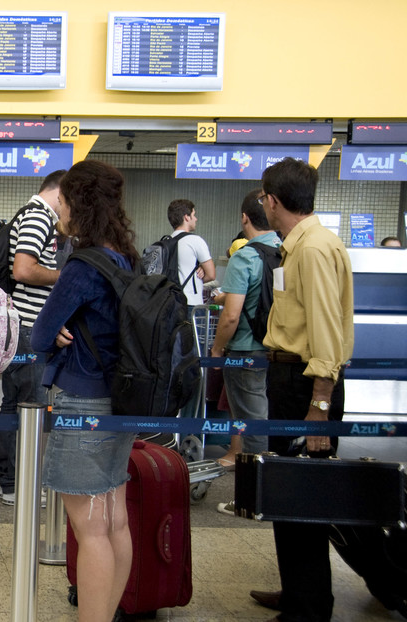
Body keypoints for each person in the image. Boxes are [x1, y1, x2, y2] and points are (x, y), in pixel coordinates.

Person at [30, 160, 139, 622]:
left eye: (64, 203)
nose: (60, 212)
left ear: (79, 205)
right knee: (114, 519)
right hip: (122, 400)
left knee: (89, 528)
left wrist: (55, 332)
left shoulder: (82, 264)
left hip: (82, 399)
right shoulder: (125, 257)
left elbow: (39, 335)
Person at [247, 158, 354, 622]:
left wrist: (320, 405)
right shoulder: (301, 245)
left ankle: (309, 608)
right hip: (291, 380)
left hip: (306, 386)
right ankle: (297, 592)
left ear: (272, 200)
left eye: (263, 199)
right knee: (288, 493)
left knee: (305, 497)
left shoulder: (311, 249)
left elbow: (327, 332)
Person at [0, 170, 65, 507]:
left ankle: (10, 481)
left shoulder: (29, 214)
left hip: (20, 327)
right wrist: (63, 276)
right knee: (30, 406)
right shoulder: (39, 216)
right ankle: (17, 483)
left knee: (15, 405)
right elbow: (23, 270)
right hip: (28, 328)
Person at [208, 190, 280, 471]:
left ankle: (256, 492)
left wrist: (216, 349)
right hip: (278, 350)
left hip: (246, 349)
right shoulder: (286, 250)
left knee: (250, 420)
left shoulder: (245, 256)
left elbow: (231, 315)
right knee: (266, 415)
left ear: (244, 218)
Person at [166, 199, 215, 306]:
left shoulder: (166, 242)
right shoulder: (195, 241)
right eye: (194, 214)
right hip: (191, 302)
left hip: (169, 302)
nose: (196, 219)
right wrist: (198, 276)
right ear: (186, 217)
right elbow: (211, 275)